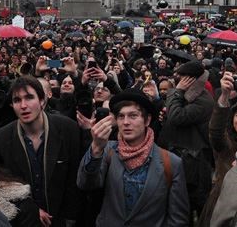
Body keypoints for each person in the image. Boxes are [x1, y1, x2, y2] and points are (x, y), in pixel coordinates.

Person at [77, 88, 189, 226]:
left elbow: (178, 219)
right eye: (121, 116)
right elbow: (85, 184)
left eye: (133, 116)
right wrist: (96, 149)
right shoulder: (107, 150)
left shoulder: (171, 162)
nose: (125, 122)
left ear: (147, 120)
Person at [0, 76, 81, 227]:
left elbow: (74, 178)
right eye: (17, 100)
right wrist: (30, 209)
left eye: (29, 97)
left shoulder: (67, 129)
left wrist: (70, 218)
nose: (23, 105)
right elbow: (2, 185)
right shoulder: (0, 139)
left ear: (42, 101)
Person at [197, 72, 237, 226]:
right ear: (232, 122)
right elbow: (215, 130)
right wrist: (225, 95)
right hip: (221, 204)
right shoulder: (225, 144)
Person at [158, 60, 214, 221]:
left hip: (193, 163)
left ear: (190, 80)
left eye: (181, 78)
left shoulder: (202, 100)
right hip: (180, 155)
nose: (177, 81)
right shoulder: (188, 96)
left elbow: (177, 117)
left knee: (188, 205)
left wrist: (176, 93)